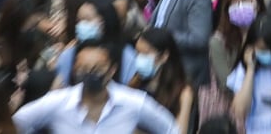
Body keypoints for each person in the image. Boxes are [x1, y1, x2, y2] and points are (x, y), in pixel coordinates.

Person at [13, 43, 180, 132]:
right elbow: (15, 123)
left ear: (112, 70)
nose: (91, 74)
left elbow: (170, 128)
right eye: (84, 69)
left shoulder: (133, 102)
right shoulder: (57, 102)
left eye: (98, 69)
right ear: (75, 71)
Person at [205, 0, 266, 123]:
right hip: (232, 111)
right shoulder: (218, 42)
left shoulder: (268, 35)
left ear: (258, 4)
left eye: (247, 0)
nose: (241, 6)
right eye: (235, 2)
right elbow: (226, 85)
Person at [128, 28, 195, 133]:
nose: (140, 59)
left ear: (164, 56)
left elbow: (179, 131)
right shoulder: (138, 79)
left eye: (145, 54)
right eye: (137, 53)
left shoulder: (183, 91)